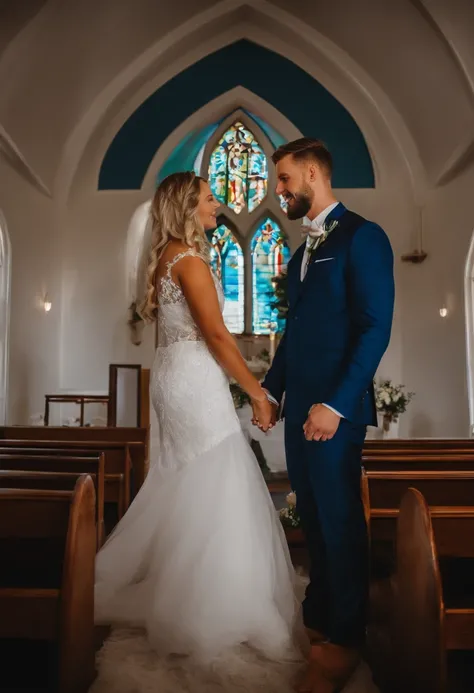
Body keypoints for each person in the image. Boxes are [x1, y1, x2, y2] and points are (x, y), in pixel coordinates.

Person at [93, 171, 304, 689]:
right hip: (192, 380)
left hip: (171, 376)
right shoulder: (188, 260)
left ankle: (189, 591)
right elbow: (213, 332)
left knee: (190, 480)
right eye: (210, 199)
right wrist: (256, 392)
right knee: (219, 478)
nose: (218, 207)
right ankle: (214, 605)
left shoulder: (166, 256)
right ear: (188, 206)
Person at [260, 138, 395, 693]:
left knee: (339, 520)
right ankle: (319, 613)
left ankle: (346, 634)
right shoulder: (300, 255)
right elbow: (295, 336)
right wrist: (270, 389)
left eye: (285, 180)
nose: (279, 191)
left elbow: (374, 328)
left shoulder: (364, 237)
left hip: (335, 412)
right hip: (299, 412)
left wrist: (336, 405)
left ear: (313, 173)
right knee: (311, 515)